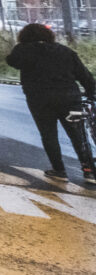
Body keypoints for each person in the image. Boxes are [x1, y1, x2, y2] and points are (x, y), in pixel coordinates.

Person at [6, 23, 96, 184]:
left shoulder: (23, 49)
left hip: (40, 99)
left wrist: (22, 48)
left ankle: (59, 170)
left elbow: (11, 61)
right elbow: (85, 77)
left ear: (25, 36)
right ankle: (89, 171)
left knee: (48, 134)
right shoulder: (65, 51)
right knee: (78, 134)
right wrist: (90, 94)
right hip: (69, 97)